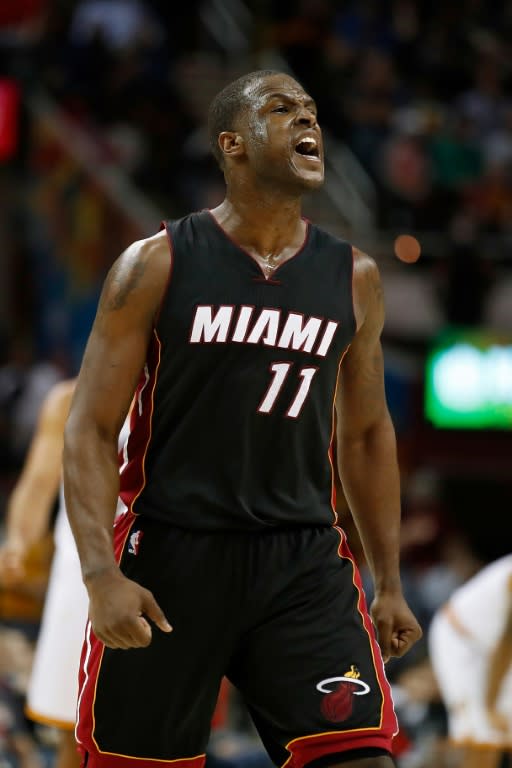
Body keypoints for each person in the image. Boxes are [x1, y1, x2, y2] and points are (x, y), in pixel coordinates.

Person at [62, 69, 422, 768]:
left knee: (361, 759)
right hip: (171, 556)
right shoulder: (156, 264)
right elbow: (90, 428)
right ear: (232, 143)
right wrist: (101, 575)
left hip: (301, 560)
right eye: (283, 110)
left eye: (313, 111)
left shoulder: (355, 277)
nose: (308, 122)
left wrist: (390, 581)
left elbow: (368, 434)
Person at [0, 377, 131, 768]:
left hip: (160, 572)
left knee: (156, 738)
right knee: (72, 736)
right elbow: (39, 481)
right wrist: (19, 541)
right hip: (81, 578)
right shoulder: (68, 398)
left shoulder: (189, 387)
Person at [428, 553, 512, 768]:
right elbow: (506, 645)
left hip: (493, 647)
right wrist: (490, 704)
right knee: (485, 736)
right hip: (463, 640)